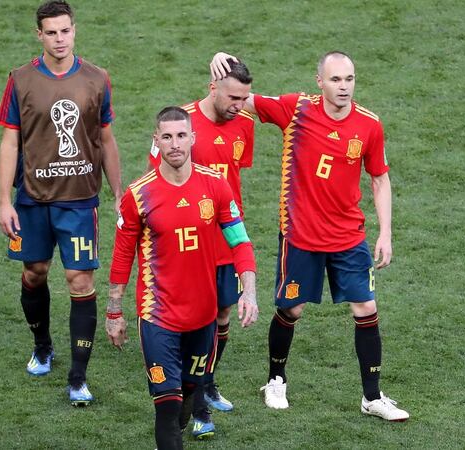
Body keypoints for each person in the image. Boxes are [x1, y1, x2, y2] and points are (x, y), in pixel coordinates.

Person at [211, 51, 409, 421]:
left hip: (349, 236)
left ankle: (372, 396)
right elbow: (235, 98)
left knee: (366, 308)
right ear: (320, 82)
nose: (344, 87)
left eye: (349, 79)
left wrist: (386, 233)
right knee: (291, 309)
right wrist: (218, 63)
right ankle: (275, 379)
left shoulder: (369, 124)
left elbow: (379, 178)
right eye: (335, 80)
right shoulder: (296, 109)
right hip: (300, 235)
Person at [107, 106, 259, 449]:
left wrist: (248, 290)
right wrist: (114, 310)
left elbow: (240, 242)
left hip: (203, 317)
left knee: (189, 394)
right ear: (156, 141)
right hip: (158, 316)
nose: (175, 144)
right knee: (167, 403)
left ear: (192, 138)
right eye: (167, 136)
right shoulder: (139, 195)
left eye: (180, 135)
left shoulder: (216, 186)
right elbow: (121, 256)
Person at [0, 0, 122, 407]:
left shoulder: (96, 78)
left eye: (65, 30)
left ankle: (78, 376)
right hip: (32, 199)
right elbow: (11, 141)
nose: (59, 39)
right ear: (39, 35)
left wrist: (119, 193)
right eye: (51, 32)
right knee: (35, 273)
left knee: (80, 281)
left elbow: (105, 139)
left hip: (80, 201)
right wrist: (4, 201)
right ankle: (43, 344)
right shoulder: (19, 80)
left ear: (74, 30)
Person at [146, 58, 254, 433]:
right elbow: (154, 179)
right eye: (233, 97)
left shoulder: (245, 126)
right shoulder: (183, 128)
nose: (239, 105)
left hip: (226, 239)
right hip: (189, 246)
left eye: (244, 98)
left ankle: (206, 384)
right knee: (193, 320)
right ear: (213, 88)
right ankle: (195, 403)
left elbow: (235, 179)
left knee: (221, 317)